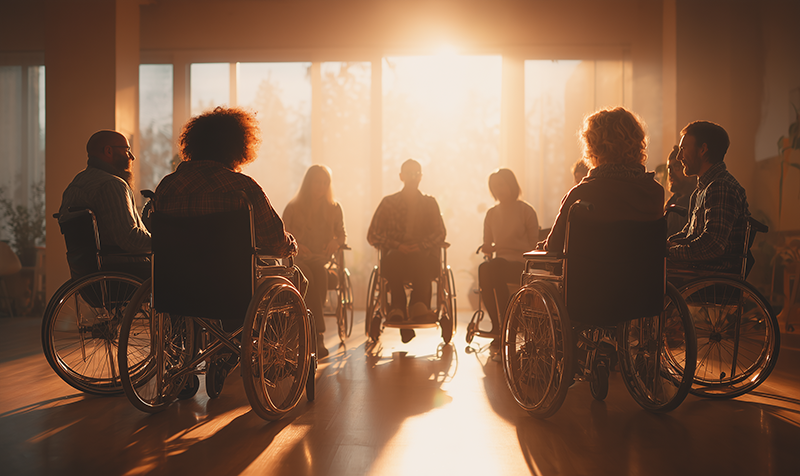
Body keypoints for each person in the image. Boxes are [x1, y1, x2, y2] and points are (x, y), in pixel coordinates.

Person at [154, 106, 300, 386]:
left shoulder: (167, 187)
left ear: (193, 145)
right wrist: (290, 245)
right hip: (231, 291)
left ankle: (191, 357)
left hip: (175, 291)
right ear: (238, 147)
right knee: (293, 279)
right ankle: (259, 355)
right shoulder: (242, 188)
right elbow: (274, 241)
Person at [540, 107, 663, 254]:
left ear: (593, 147)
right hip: (642, 277)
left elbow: (554, 248)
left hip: (591, 277)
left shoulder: (580, 196)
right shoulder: (654, 193)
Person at [367, 159, 446, 343]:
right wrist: (396, 245)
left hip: (422, 254)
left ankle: (416, 306)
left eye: (416, 173)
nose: (412, 177)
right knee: (393, 260)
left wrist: (422, 245)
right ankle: (398, 307)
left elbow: (440, 233)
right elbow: (373, 235)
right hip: (397, 254)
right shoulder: (388, 203)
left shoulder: (430, 203)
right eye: (409, 173)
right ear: (401, 177)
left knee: (420, 259)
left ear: (421, 177)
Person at [59, 130, 151, 280]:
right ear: (108, 151)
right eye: (127, 150)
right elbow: (129, 239)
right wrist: (164, 240)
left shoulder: (76, 183)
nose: (132, 156)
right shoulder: (112, 184)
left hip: (87, 275)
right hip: (124, 272)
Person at [668, 121, 750, 272]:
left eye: (683, 149)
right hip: (697, 272)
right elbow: (690, 235)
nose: (679, 157)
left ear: (703, 149)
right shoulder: (701, 190)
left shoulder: (721, 187)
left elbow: (713, 245)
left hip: (710, 279)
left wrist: (670, 252)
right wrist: (667, 243)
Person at [283, 165, 346, 358]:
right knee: (307, 274)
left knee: (318, 271)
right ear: (308, 184)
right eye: (317, 182)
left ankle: (314, 333)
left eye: (325, 183)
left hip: (321, 259)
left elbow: (342, 235)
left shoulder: (334, 208)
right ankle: (316, 334)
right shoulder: (293, 207)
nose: (321, 186)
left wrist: (336, 241)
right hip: (297, 258)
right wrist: (298, 244)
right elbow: (282, 235)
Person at [479, 168, 539, 349]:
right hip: (500, 264)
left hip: (521, 264)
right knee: (486, 268)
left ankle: (503, 323)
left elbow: (533, 246)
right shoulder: (491, 214)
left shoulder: (526, 210)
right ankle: (499, 325)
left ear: (511, 185)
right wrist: (488, 248)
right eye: (494, 187)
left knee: (494, 268)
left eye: (501, 185)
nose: (498, 190)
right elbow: (488, 245)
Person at [664, 144, 697, 236]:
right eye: (669, 168)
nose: (671, 173)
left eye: (676, 167)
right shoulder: (671, 202)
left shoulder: (697, 201)